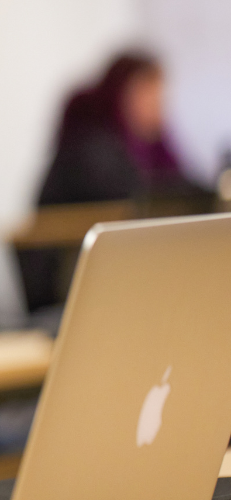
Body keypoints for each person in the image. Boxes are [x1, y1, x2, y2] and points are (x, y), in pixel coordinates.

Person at [21, 51, 213, 314]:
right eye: (148, 93)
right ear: (121, 94)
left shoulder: (149, 148)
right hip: (65, 283)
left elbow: (179, 185)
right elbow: (138, 196)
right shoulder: (90, 144)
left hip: (103, 278)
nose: (157, 105)